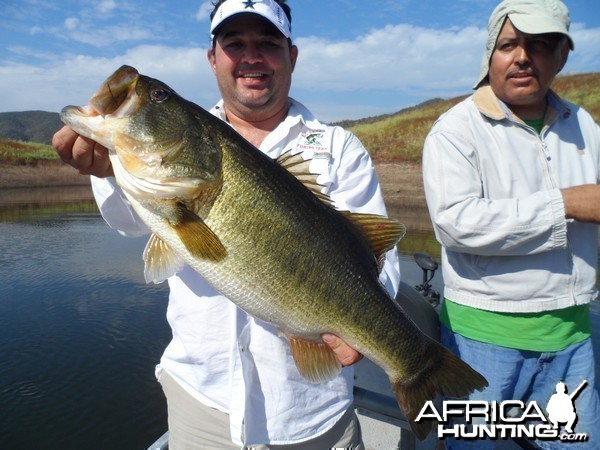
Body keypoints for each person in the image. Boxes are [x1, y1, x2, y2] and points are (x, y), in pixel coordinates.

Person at [53, 0, 400, 448]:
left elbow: (382, 266)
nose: (251, 56)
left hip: (311, 411)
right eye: (234, 44)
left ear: (291, 56)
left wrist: (361, 323)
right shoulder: (181, 154)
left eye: (268, 43)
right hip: (202, 400)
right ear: (213, 58)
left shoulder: (339, 148)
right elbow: (127, 222)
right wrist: (108, 168)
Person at [422, 0, 600, 448]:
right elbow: (456, 224)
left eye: (540, 45)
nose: (522, 57)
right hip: (482, 344)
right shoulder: (456, 131)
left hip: (573, 337)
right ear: (490, 56)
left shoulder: (584, 126)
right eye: (508, 45)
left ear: (561, 56)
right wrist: (566, 205)